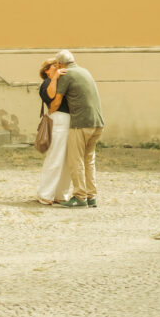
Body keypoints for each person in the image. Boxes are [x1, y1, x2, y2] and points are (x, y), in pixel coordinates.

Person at [50, 49, 104, 208]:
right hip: (97, 122)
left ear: (60, 64)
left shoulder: (66, 74)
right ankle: (91, 196)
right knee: (89, 160)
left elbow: (57, 101)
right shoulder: (84, 71)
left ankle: (80, 197)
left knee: (76, 160)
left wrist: (50, 111)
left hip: (81, 123)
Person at [36, 58, 71, 205]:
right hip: (58, 121)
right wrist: (56, 76)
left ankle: (60, 194)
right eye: (54, 66)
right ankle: (45, 194)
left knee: (67, 161)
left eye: (59, 65)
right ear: (46, 70)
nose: (58, 67)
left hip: (67, 121)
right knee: (55, 159)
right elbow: (51, 98)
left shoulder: (60, 81)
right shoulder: (46, 83)